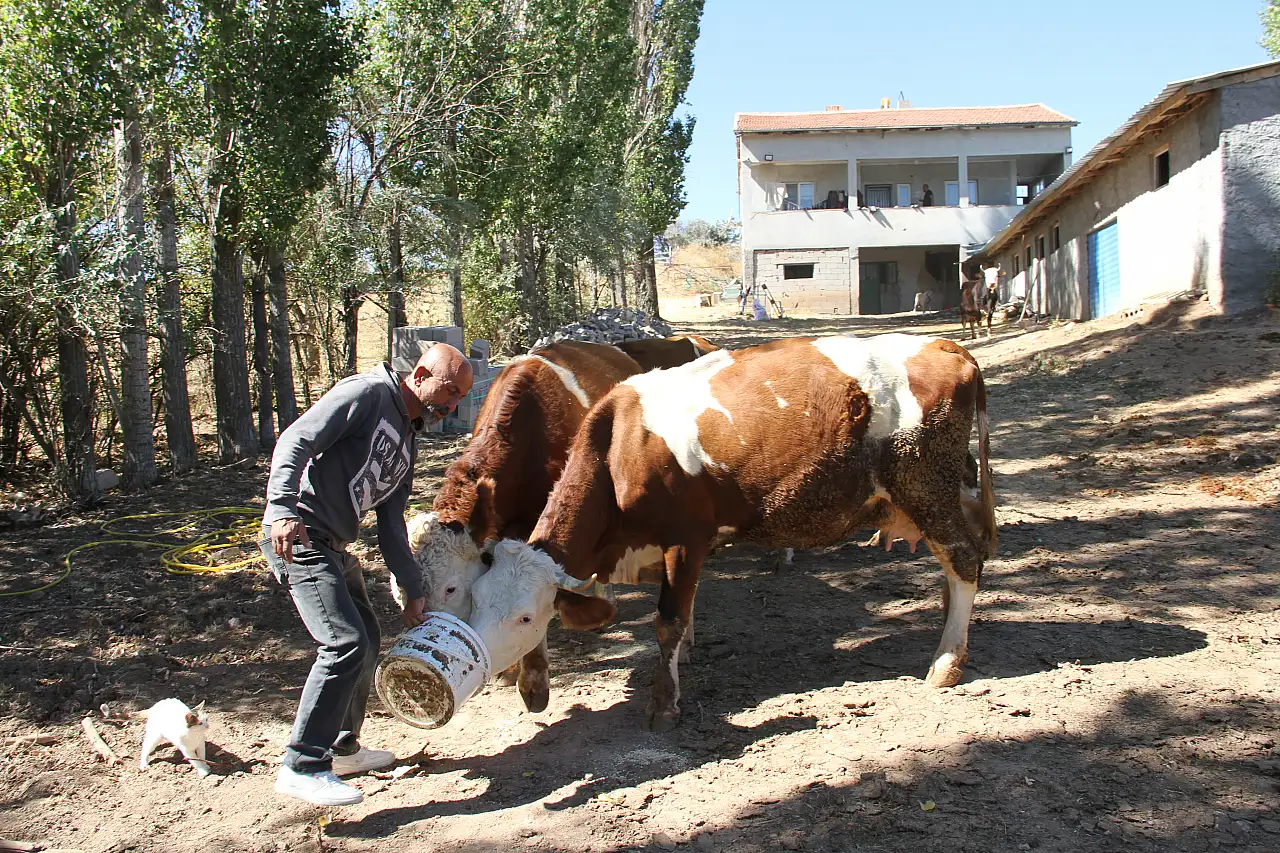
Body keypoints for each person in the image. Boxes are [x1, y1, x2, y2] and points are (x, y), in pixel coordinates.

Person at [259, 344, 473, 807]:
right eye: (449, 391)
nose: (452, 405)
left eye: (459, 399)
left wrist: (414, 590)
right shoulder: (367, 393)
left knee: (367, 636)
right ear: (419, 375)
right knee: (343, 642)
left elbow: (392, 525)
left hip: (333, 546)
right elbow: (296, 440)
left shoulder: (408, 439)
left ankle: (340, 749)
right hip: (300, 536)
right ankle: (301, 765)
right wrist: (280, 509)